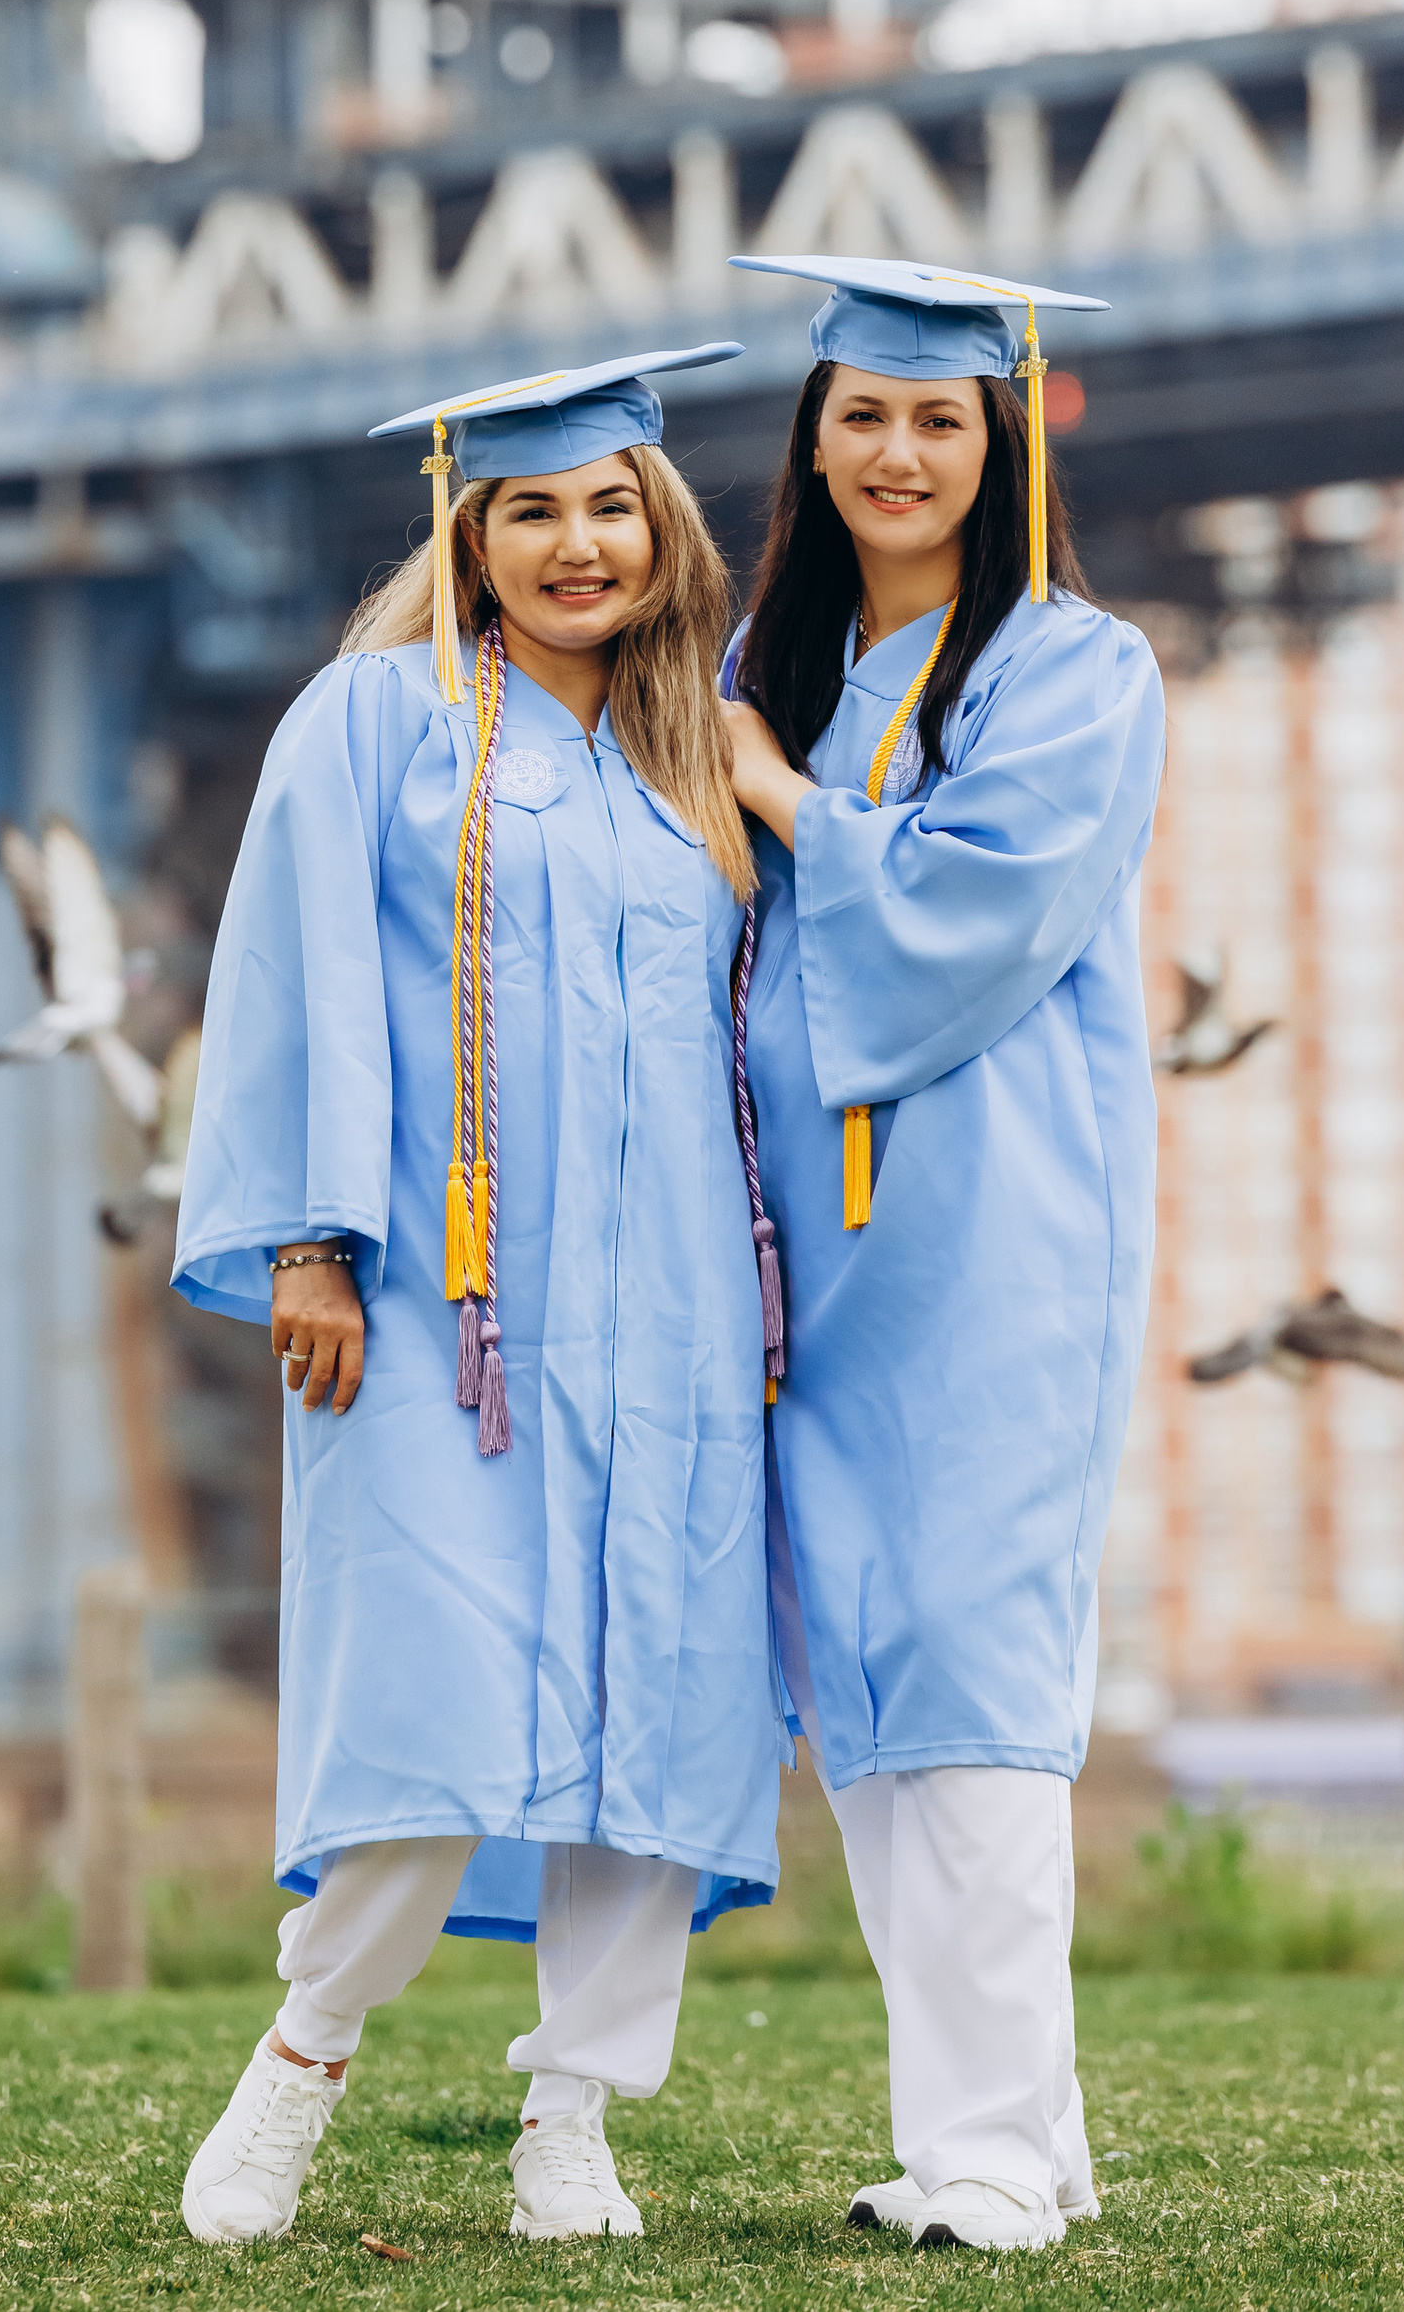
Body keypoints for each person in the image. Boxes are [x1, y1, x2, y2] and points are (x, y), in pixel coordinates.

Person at [171, 347, 788, 2250]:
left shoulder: (705, 743)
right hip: (452, 1316)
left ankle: (576, 2121)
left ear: (662, 528)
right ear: (473, 530)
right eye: (534, 508)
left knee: (650, 1731)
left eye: (612, 506)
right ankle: (305, 2053)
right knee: (423, 1710)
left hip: (676, 1328)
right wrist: (307, 1237)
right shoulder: (376, 719)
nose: (578, 543)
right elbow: (294, 975)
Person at [717, 253, 1166, 2255]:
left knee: (974, 1676)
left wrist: (787, 808)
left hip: (991, 1240)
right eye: (863, 416)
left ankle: (984, 2148)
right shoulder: (769, 669)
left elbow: (971, 920)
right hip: (806, 1269)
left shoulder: (1071, 669)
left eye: (939, 419)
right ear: (811, 445)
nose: (899, 451)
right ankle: (1007, 2130)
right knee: (873, 1689)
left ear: (998, 449)